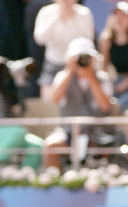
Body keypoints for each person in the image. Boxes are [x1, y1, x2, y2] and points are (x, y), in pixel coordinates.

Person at [43, 37, 113, 169]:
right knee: (51, 145)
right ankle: (54, 182)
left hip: (96, 133)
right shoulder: (63, 76)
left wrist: (91, 78)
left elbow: (105, 106)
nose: (82, 61)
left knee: (108, 148)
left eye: (86, 57)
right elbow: (54, 100)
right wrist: (70, 71)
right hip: (68, 132)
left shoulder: (103, 78)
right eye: (78, 58)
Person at [33, 0, 95, 99]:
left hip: (79, 65)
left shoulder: (84, 13)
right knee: (49, 103)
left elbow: (88, 39)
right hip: (53, 64)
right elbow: (40, 38)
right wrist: (59, 15)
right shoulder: (46, 12)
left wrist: (71, 16)